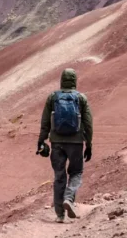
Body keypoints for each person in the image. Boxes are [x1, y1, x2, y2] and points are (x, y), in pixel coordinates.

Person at [37, 68, 93, 223]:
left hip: (56, 143)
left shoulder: (53, 97)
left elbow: (45, 122)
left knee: (59, 177)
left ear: (61, 80)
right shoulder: (81, 98)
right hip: (75, 143)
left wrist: (41, 141)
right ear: (74, 80)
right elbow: (88, 123)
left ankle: (60, 215)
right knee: (76, 172)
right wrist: (89, 144)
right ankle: (69, 198)